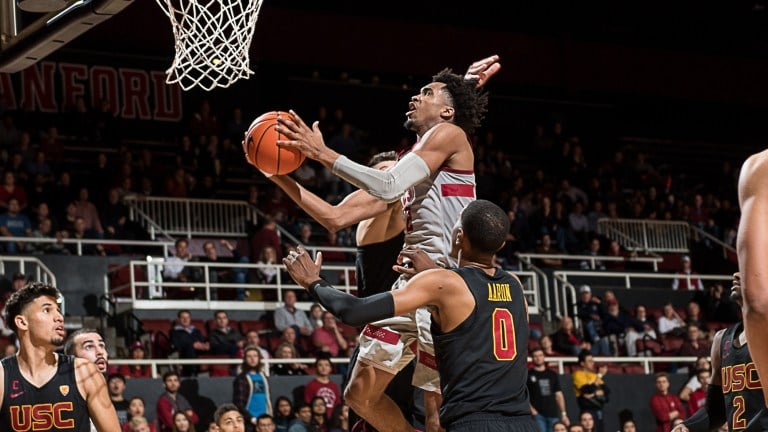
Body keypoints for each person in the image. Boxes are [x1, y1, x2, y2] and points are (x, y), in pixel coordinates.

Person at [271, 55, 500, 432]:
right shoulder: (417, 161)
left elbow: (390, 182)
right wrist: (275, 172)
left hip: (446, 287)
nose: (414, 96)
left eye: (425, 92)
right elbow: (334, 217)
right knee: (358, 395)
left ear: (446, 111)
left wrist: (322, 153)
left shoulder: (450, 136)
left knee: (436, 414)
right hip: (411, 288)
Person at [283, 199, 537, 431]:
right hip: (524, 421)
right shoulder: (516, 286)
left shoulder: (444, 284)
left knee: (362, 394)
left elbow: (354, 312)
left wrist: (313, 282)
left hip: (473, 422)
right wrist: (436, 276)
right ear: (501, 245)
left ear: (458, 236)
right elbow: (479, 308)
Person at [0, 282, 121, 431]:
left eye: (58, 310)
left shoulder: (85, 372)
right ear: (22, 322)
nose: (59, 317)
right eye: (47, 310)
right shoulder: (2, 376)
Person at [673, 272, 768, 432]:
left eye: (747, 270)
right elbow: (716, 409)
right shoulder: (721, 339)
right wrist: (687, 426)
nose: (737, 274)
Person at [527, 347, 570, 432]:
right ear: (532, 358)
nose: (538, 358)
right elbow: (524, 394)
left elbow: (559, 395)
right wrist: (532, 410)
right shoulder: (528, 374)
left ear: (544, 357)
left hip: (553, 413)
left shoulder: (552, 374)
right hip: (537, 414)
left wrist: (564, 414)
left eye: (540, 355)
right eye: (535, 356)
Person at [232, 345, 272, 427]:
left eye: (255, 356)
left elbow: (267, 399)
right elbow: (238, 404)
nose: (253, 359)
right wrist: (251, 418)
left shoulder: (263, 376)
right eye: (249, 356)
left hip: (264, 420)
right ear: (245, 359)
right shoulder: (241, 378)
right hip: (249, 421)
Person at [572, 352, 609, 432]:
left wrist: (593, 393)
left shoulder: (594, 375)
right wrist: (599, 376)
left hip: (598, 410)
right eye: (589, 361)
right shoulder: (578, 374)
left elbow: (606, 391)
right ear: (582, 363)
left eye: (592, 361)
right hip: (586, 410)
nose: (592, 363)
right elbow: (586, 390)